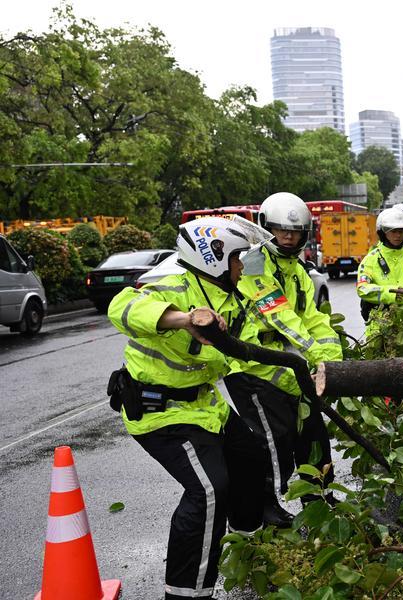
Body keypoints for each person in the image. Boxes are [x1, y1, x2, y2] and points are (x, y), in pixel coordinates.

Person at [107, 216, 270, 600]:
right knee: (209, 490)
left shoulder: (230, 297)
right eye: (237, 258)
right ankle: (185, 594)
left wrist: (302, 378)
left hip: (204, 406)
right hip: (160, 413)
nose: (242, 266)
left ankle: (249, 550)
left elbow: (246, 357)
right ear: (214, 258)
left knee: (251, 457)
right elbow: (122, 307)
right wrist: (184, 319)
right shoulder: (172, 282)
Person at [224, 192, 343, 524]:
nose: (288, 237)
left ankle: (319, 498)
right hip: (252, 368)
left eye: (295, 232)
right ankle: (263, 506)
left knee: (314, 434)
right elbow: (278, 314)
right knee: (275, 438)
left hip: (289, 371)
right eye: (281, 230)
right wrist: (315, 354)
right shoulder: (252, 262)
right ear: (266, 228)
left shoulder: (298, 271)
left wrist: (331, 360)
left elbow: (315, 319)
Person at [357, 207, 403, 334]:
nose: (398, 235)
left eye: (401, 232)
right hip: (380, 327)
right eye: (393, 231)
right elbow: (362, 288)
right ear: (383, 233)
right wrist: (390, 294)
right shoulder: (371, 259)